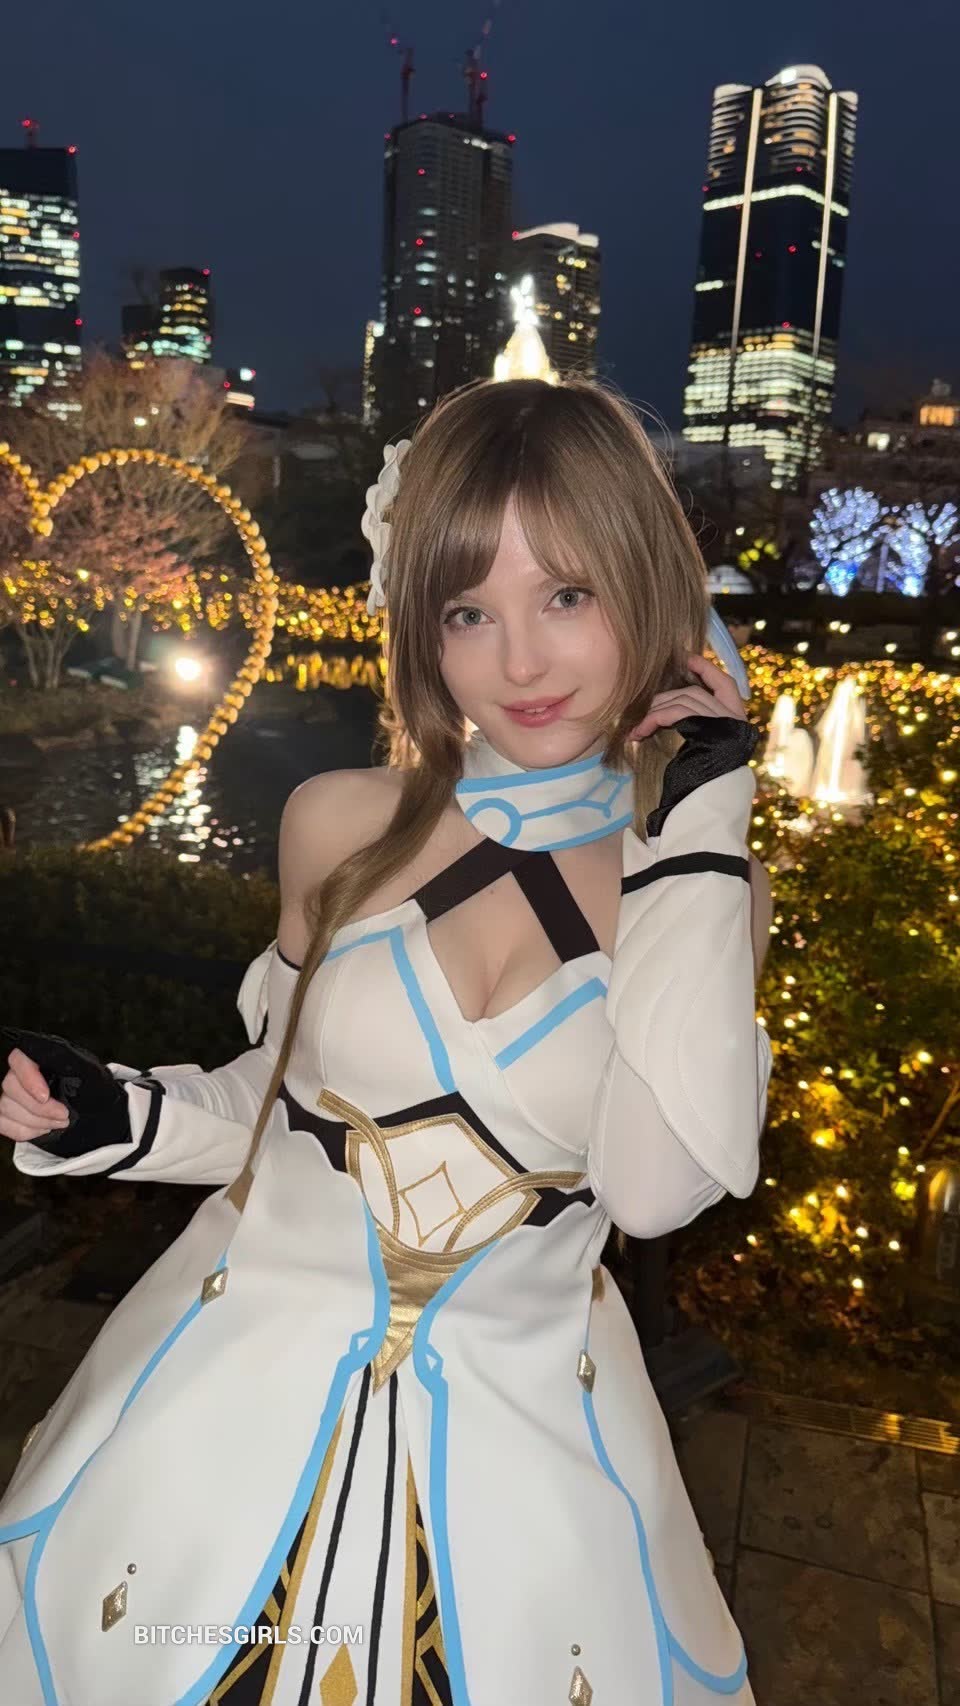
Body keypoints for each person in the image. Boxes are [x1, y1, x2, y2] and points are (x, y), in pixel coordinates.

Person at [0, 376, 773, 1706]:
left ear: (653, 593)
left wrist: (702, 825)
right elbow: (283, 1110)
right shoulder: (337, 821)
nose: (519, 664)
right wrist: (124, 1115)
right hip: (225, 1402)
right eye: (468, 610)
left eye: (568, 595)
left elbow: (650, 1194)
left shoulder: (698, 885)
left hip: (523, 1462)